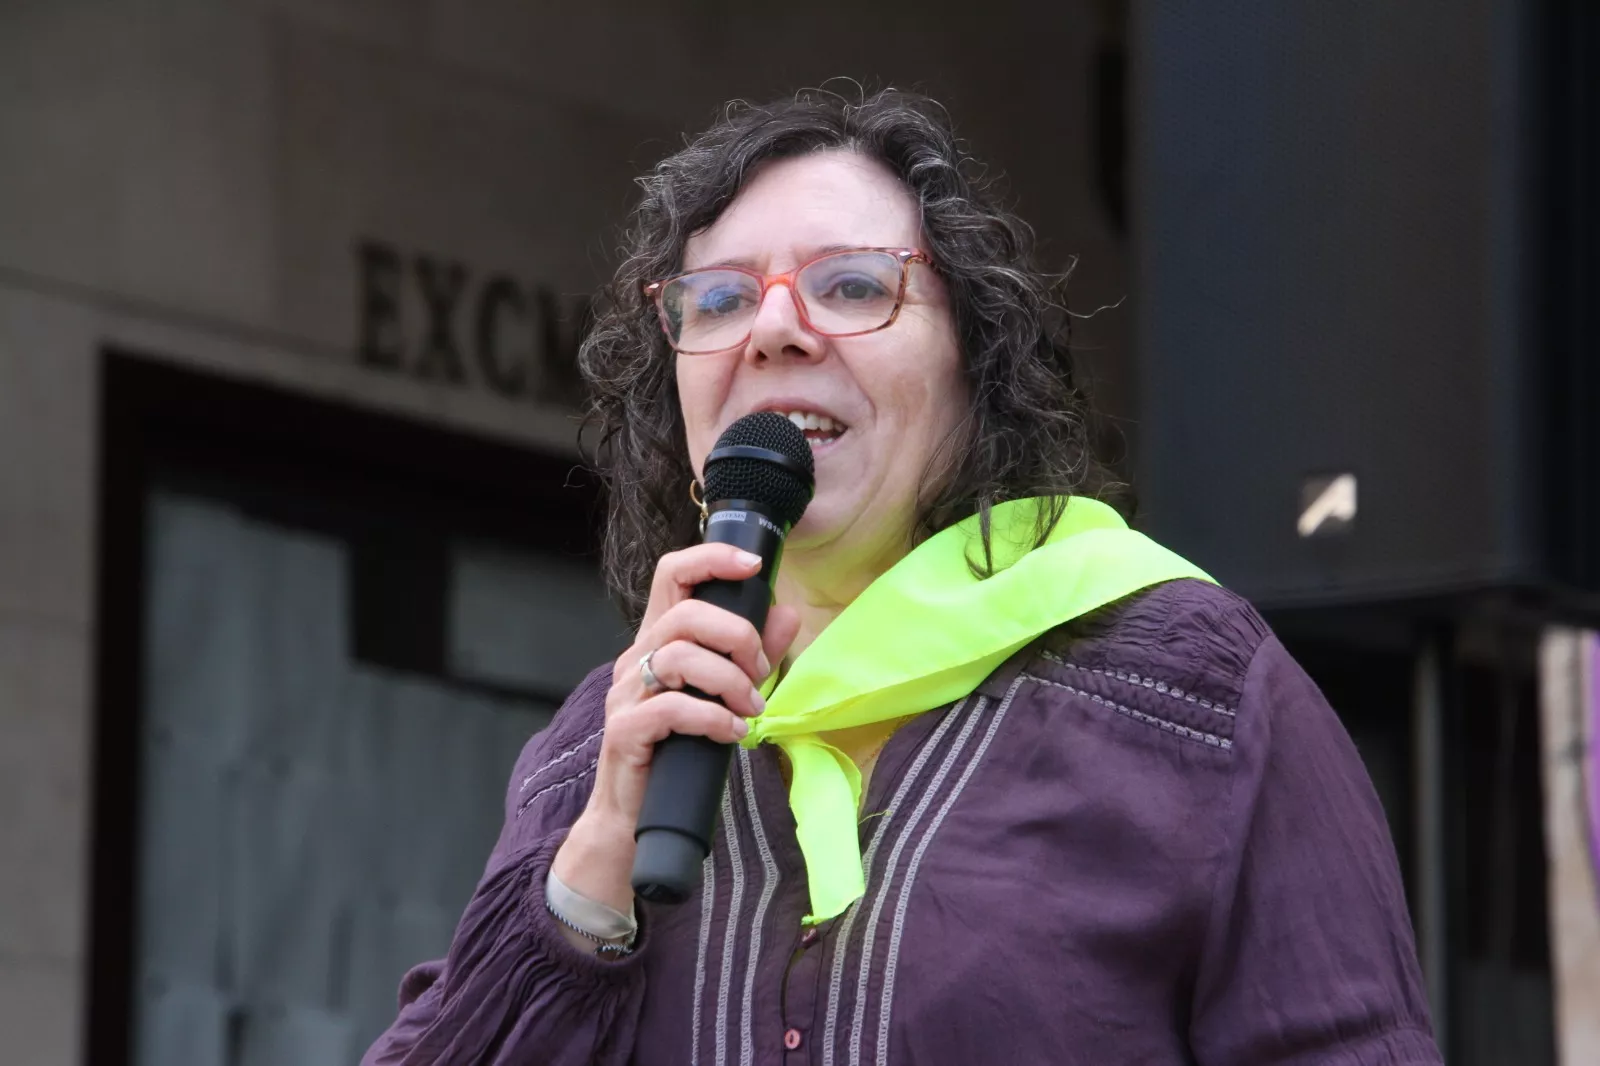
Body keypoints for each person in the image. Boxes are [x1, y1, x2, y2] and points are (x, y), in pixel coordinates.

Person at [363, 88, 1441, 1065]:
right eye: (720, 300)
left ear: (972, 361)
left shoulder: (1196, 703)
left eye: (849, 286)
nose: (776, 328)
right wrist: (589, 871)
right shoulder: (603, 752)